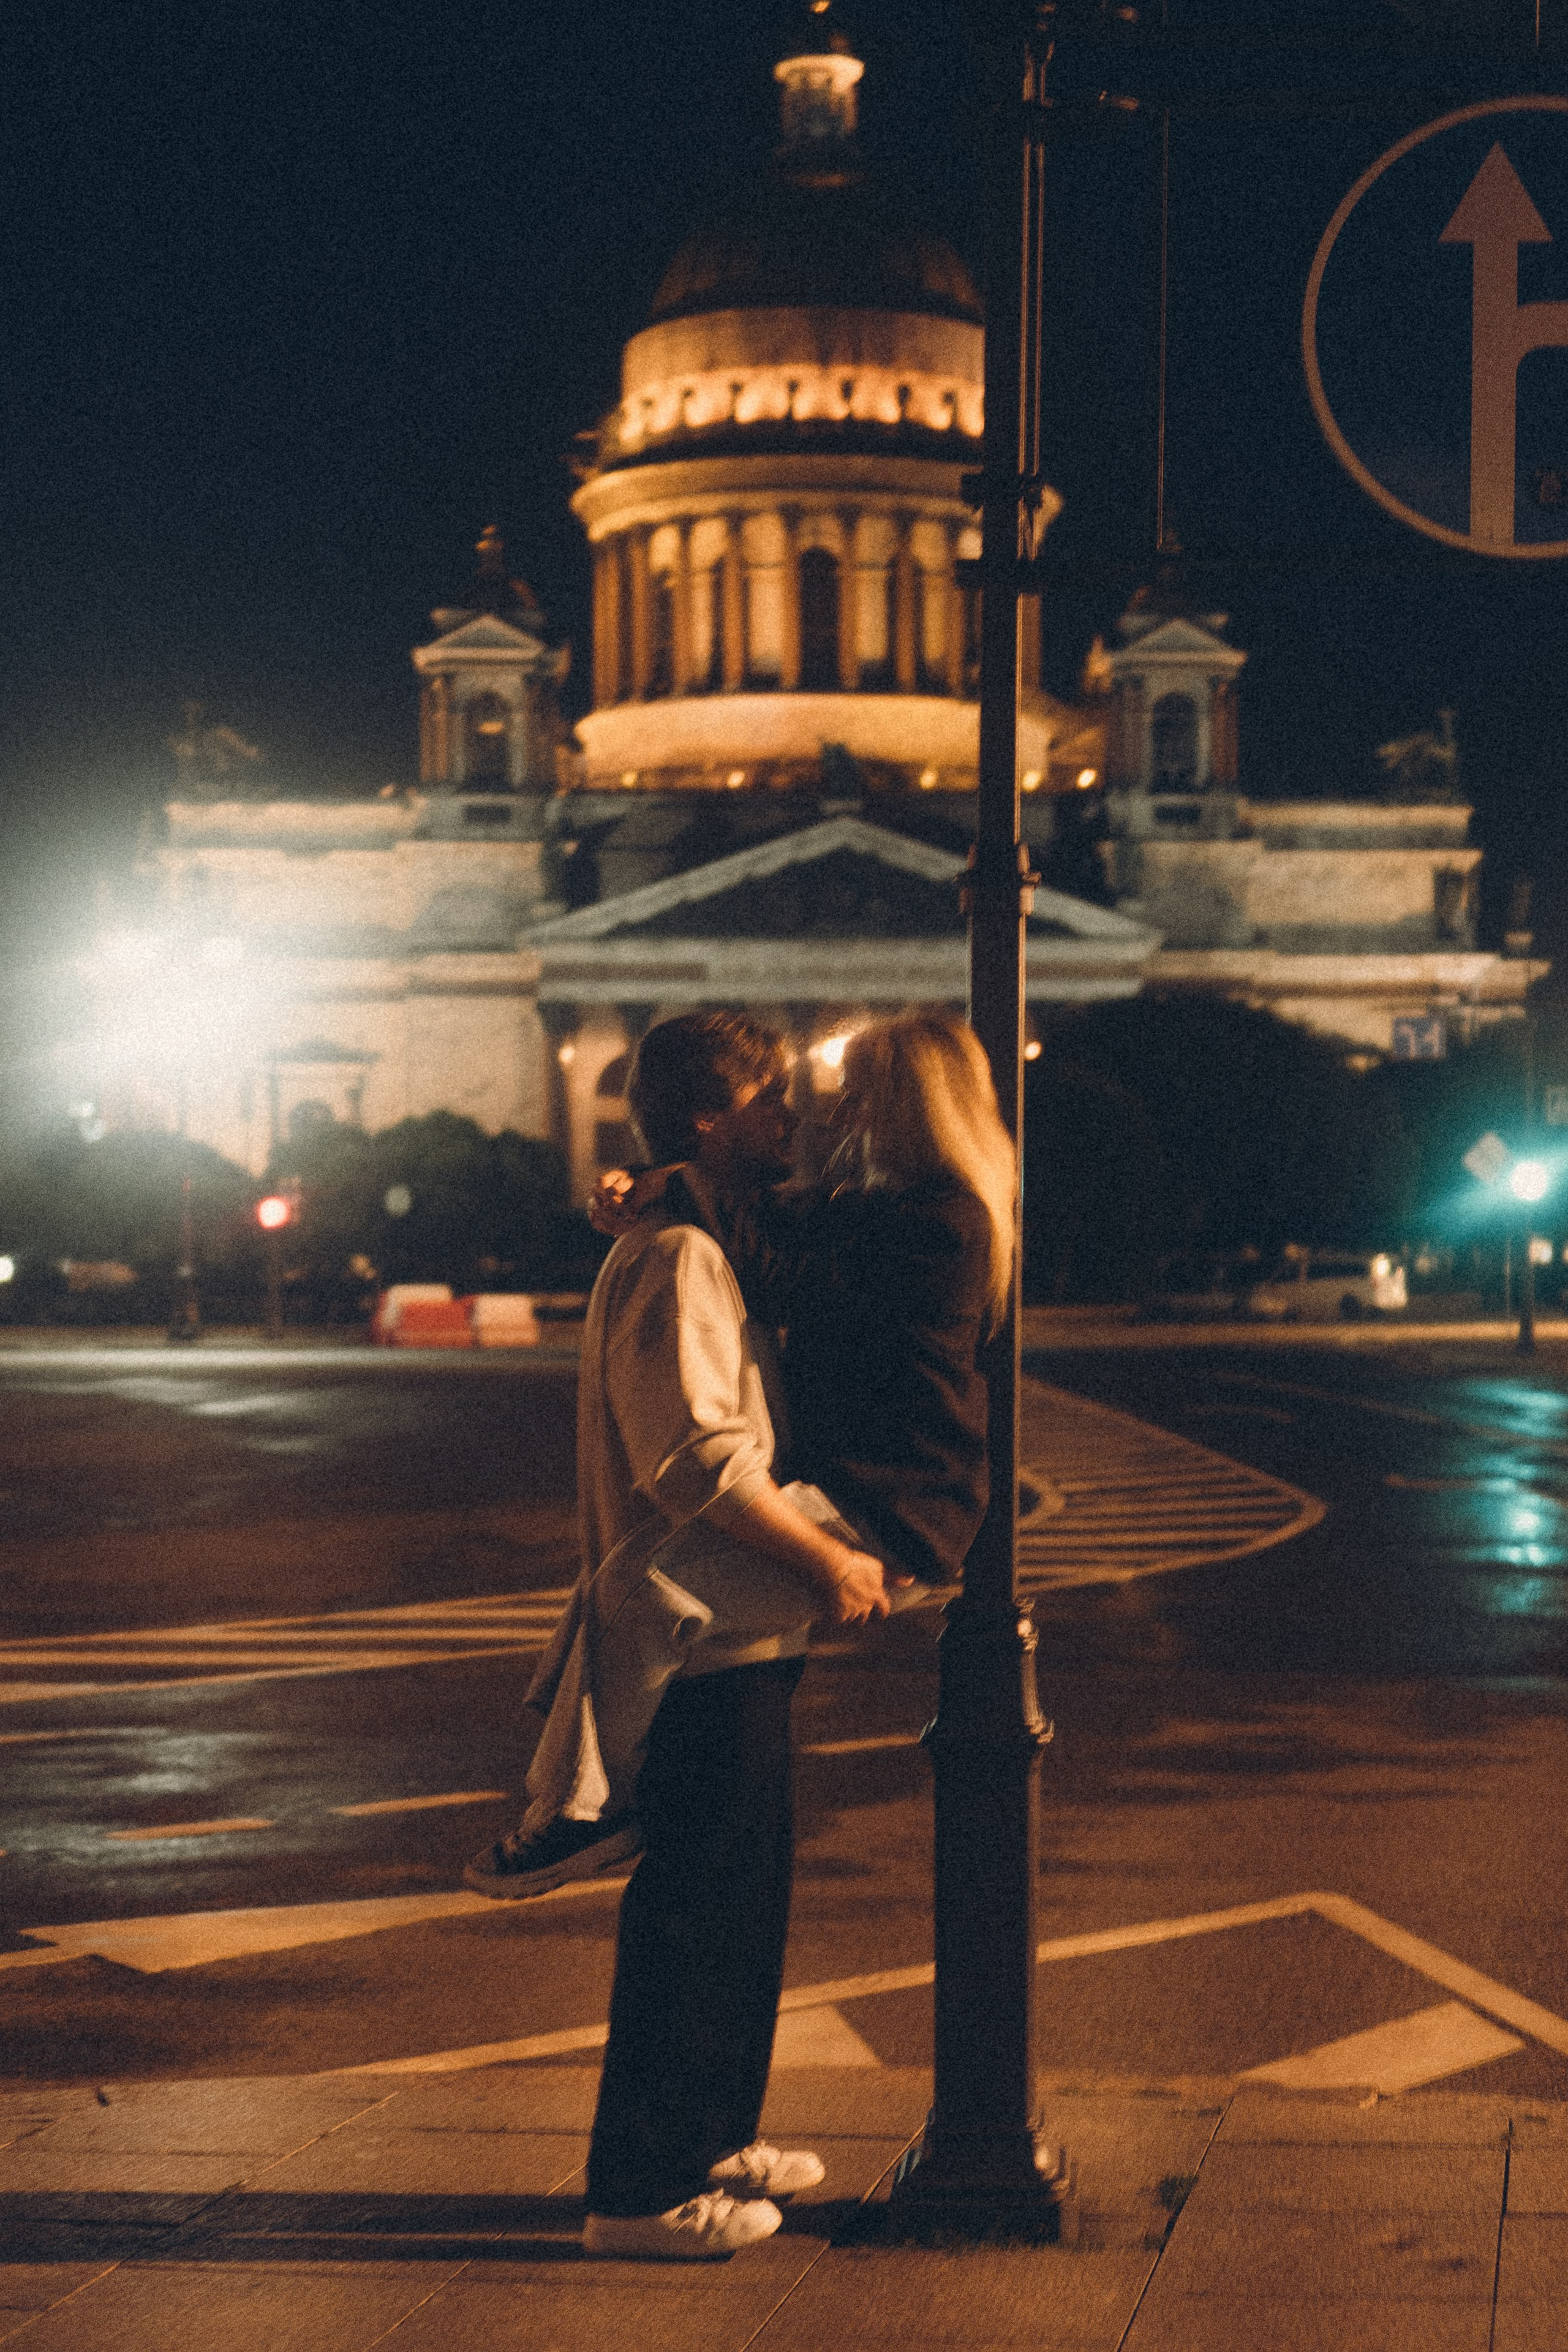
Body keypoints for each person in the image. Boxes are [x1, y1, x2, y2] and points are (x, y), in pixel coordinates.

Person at [470, 1012, 901, 2261]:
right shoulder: (675, 1260)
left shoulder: (700, 1236)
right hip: (695, 1632)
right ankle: (641, 2190)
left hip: (733, 1630)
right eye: (772, 1102)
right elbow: (694, 1461)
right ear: (713, 1118)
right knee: (693, 1911)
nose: (793, 1121)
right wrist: (825, 1557)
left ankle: (710, 2134)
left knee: (740, 1901)